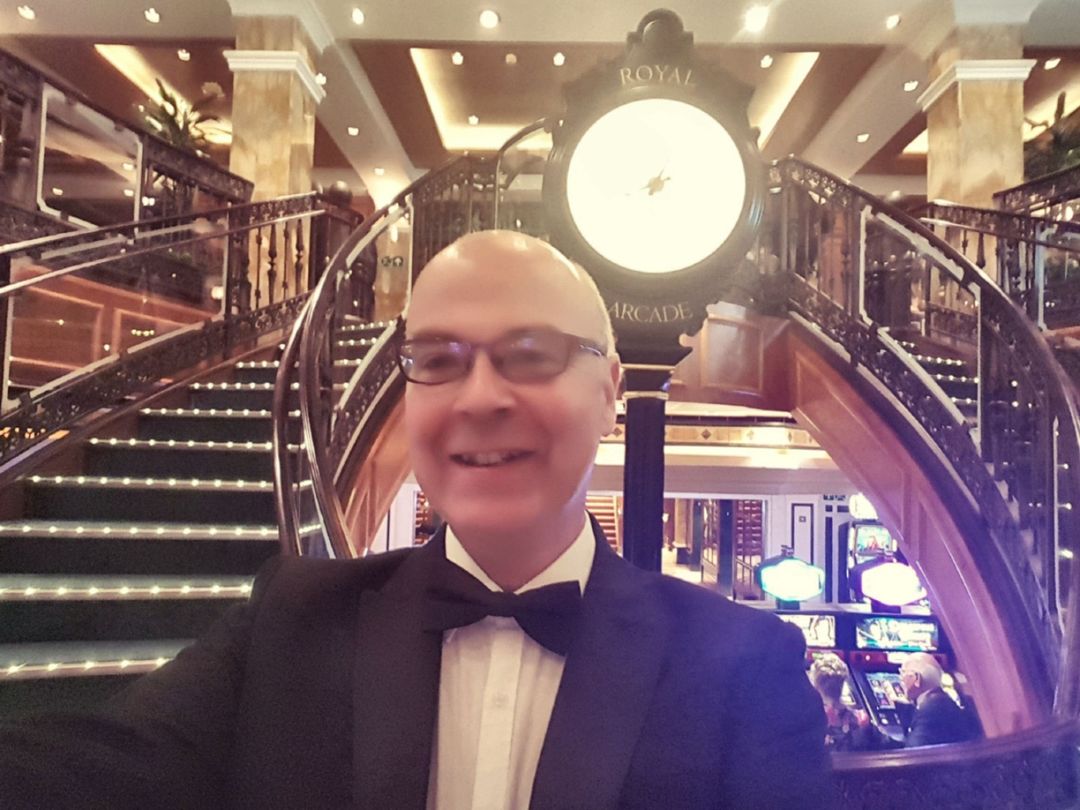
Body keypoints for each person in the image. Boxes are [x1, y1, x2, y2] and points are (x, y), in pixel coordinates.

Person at [0, 231, 832, 808]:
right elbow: (92, 770)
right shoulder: (290, 618)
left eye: (531, 354)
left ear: (612, 388)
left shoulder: (743, 665)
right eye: (437, 360)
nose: (479, 398)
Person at [809, 653, 890, 752]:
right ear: (843, 682)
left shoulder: (810, 722)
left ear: (815, 685)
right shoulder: (861, 720)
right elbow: (889, 744)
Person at [899, 652, 980, 747]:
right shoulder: (940, 700)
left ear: (916, 678)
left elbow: (914, 751)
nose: (900, 679)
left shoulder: (932, 708)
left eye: (903, 673)